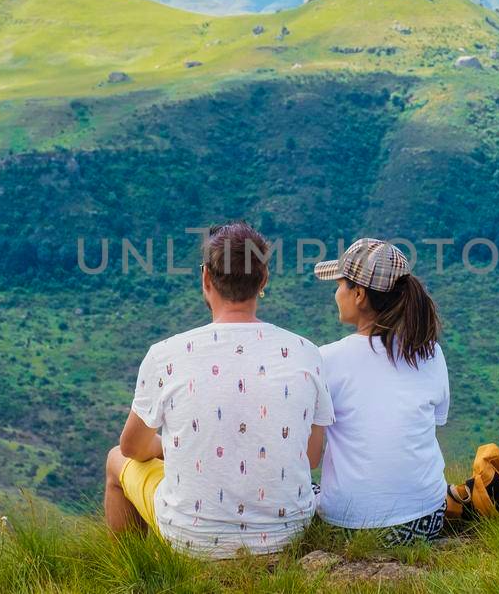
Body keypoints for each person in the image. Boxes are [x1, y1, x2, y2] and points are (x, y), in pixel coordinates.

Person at [104, 222, 334, 559]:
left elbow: (132, 447)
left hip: (191, 539)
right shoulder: (306, 352)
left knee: (116, 460)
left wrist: (178, 446)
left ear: (206, 279)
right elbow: (310, 456)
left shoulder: (166, 354)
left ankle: (137, 570)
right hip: (287, 533)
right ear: (264, 280)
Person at [312, 238, 450, 546]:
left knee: (306, 488)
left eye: (340, 284)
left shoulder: (327, 359)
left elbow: (309, 455)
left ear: (359, 294)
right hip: (427, 519)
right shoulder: (429, 352)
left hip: (347, 528)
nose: (336, 294)